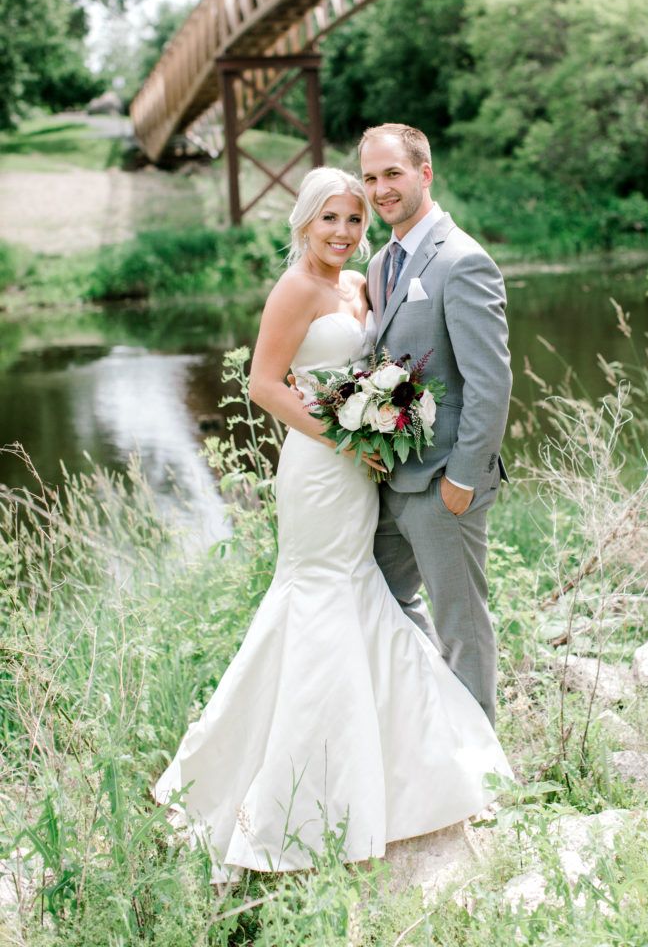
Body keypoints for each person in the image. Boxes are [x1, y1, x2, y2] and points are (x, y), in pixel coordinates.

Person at [154, 166, 511, 878]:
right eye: (330, 220)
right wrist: (344, 433)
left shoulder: (363, 282)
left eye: (354, 219)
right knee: (318, 596)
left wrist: (382, 421)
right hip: (320, 469)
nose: (344, 232)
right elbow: (263, 385)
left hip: (363, 470)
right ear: (305, 225)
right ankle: (289, 787)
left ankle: (394, 764)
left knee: (366, 596)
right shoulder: (295, 289)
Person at [359, 124, 512, 726]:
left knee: (462, 622)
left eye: (392, 174)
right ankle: (431, 731)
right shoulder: (379, 265)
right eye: (370, 178)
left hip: (446, 480)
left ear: (424, 173)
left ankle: (483, 766)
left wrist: (465, 479)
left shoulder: (463, 260)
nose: (380, 189)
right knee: (380, 601)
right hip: (390, 479)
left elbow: (489, 382)